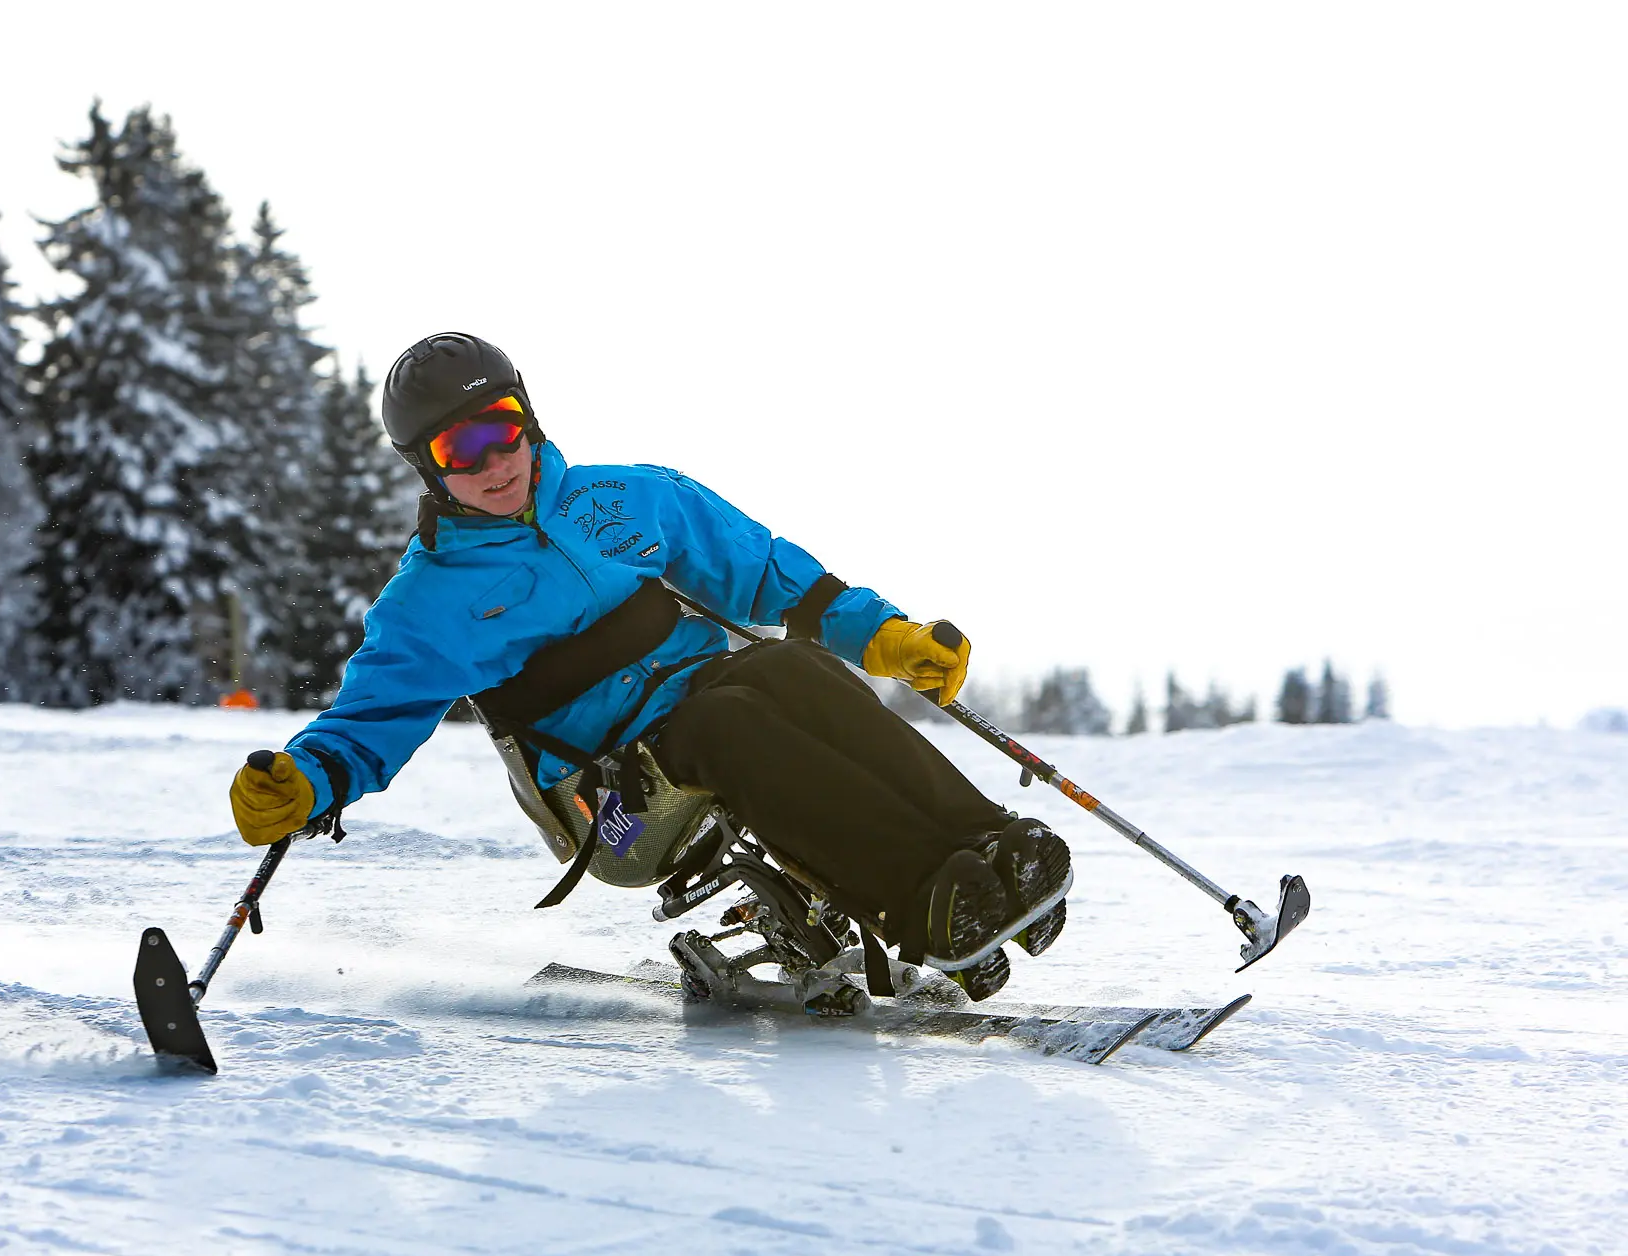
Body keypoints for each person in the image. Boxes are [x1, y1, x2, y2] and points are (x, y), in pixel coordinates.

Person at [229, 333, 1068, 995]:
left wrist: (883, 636)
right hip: (609, 809)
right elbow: (372, 717)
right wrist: (307, 781)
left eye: (503, 429)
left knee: (793, 669)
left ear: (530, 417)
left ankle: (990, 854)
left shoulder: (628, 498)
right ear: (427, 466)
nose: (494, 463)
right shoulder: (430, 600)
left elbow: (765, 570)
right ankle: (925, 900)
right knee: (727, 716)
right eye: (462, 450)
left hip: (716, 708)